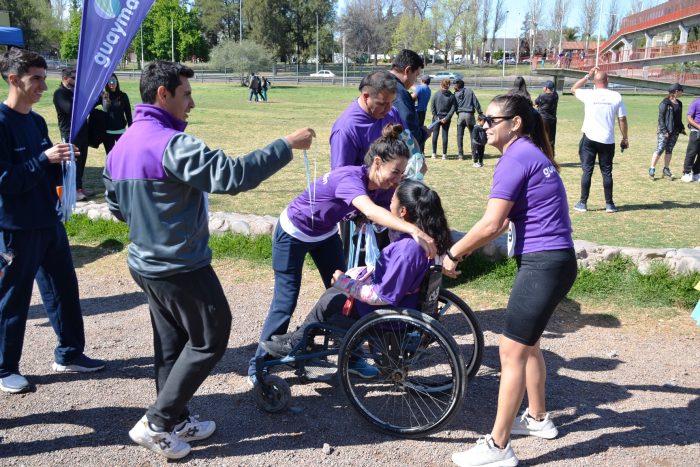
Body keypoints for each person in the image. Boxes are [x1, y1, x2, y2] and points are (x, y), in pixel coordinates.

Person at [103, 60, 315, 459]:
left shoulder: (123, 145)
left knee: (172, 345)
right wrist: (286, 145)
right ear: (162, 95)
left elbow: (115, 205)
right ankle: (156, 422)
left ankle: (175, 419)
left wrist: (151, 219)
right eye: (186, 94)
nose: (192, 103)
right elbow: (233, 176)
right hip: (179, 266)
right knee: (212, 336)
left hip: (145, 264)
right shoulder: (172, 144)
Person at [248, 123, 437, 384]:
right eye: (395, 172)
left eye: (402, 174)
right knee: (286, 299)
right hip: (294, 231)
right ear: (378, 162)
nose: (397, 180)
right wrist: (414, 231)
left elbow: (385, 211)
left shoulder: (382, 188)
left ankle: (351, 356)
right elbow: (371, 211)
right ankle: (259, 364)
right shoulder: (349, 178)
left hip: (324, 234)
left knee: (342, 292)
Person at [444, 94, 576, 467]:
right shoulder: (531, 153)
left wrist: (452, 255)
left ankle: (498, 448)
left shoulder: (515, 158)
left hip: (543, 265)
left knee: (511, 351)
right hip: (554, 262)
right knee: (529, 344)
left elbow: (491, 224)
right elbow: (501, 224)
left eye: (490, 119)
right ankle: (537, 419)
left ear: (514, 123)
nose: (483, 125)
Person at [0, 49, 105, 395]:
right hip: (16, 228)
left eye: (45, 78)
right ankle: (4, 369)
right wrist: (42, 159)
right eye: (37, 79)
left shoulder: (36, 121)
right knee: (13, 299)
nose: (44, 86)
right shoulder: (1, 123)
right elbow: (6, 181)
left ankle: (69, 353)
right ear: (14, 79)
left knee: (63, 288)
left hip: (48, 221)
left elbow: (42, 170)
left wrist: (62, 162)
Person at [260, 179, 451, 362]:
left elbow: (381, 297)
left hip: (387, 313)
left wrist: (344, 282)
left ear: (403, 211)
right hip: (407, 303)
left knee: (330, 300)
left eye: (392, 200)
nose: (388, 203)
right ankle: (302, 338)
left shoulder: (406, 251)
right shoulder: (426, 239)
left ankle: (297, 343)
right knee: (336, 290)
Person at [571, 67, 629, 213]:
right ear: (607, 81)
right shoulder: (616, 96)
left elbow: (574, 88)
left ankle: (582, 203)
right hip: (607, 140)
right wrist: (625, 137)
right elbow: (622, 119)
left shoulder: (589, 95)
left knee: (587, 171)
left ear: (595, 82)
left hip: (589, 138)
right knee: (607, 172)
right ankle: (609, 204)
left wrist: (587, 76)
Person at [329, 70, 404, 169]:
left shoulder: (392, 112)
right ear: (366, 97)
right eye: (382, 104)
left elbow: (407, 139)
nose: (389, 108)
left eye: (392, 102)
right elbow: (341, 177)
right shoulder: (346, 130)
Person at [53, 67, 92, 200]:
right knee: (72, 163)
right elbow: (71, 110)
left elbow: (89, 105)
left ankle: (79, 188)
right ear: (65, 78)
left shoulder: (76, 92)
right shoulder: (60, 94)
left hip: (82, 132)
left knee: (81, 162)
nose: (76, 81)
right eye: (74, 78)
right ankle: (72, 191)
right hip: (70, 134)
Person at [389, 49, 432, 153]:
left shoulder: (377, 80)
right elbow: (409, 129)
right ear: (407, 71)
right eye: (416, 75)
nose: (415, 80)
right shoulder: (399, 92)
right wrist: (424, 133)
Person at [649, 83, 685, 180]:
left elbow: (678, 118)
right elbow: (661, 118)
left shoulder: (680, 103)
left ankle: (666, 169)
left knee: (669, 150)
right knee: (660, 148)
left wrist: (681, 127)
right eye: (681, 90)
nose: (682, 92)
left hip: (675, 131)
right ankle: (652, 168)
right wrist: (664, 131)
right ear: (676, 92)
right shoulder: (665, 103)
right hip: (664, 131)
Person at [101, 73, 132, 155]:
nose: (111, 83)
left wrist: (131, 130)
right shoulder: (103, 96)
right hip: (107, 133)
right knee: (110, 156)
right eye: (109, 81)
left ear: (117, 82)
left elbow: (128, 113)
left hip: (121, 132)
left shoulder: (123, 96)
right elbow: (90, 106)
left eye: (113, 80)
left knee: (121, 155)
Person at [454, 79, 482, 160]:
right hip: (470, 115)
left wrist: (457, 112)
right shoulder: (470, 91)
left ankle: (460, 155)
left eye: (455, 85)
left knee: (459, 136)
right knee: (472, 135)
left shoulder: (455, 94)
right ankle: (474, 155)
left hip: (460, 115)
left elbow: (455, 106)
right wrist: (480, 112)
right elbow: (475, 102)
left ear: (457, 86)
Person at [430, 79, 457, 160]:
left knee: (435, 135)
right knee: (445, 135)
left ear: (441, 85)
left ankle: (434, 154)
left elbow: (432, 106)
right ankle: (444, 155)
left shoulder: (436, 94)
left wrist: (436, 117)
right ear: (448, 85)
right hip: (446, 119)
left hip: (437, 118)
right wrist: (447, 117)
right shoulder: (452, 96)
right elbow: (453, 109)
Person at [535, 80, 559, 150]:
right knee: (551, 139)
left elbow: (535, 103)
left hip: (543, 120)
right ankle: (551, 155)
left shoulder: (542, 96)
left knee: (541, 138)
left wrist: (538, 106)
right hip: (552, 120)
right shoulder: (556, 95)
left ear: (546, 88)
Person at [681, 95, 700, 183]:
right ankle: (686, 173)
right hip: (696, 131)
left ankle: (696, 173)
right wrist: (698, 127)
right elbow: (689, 117)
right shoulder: (695, 103)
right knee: (691, 153)